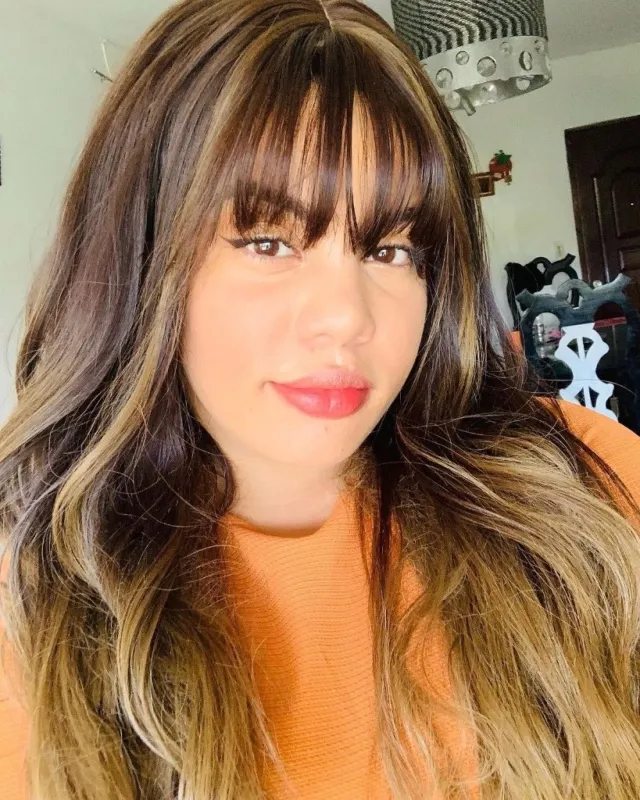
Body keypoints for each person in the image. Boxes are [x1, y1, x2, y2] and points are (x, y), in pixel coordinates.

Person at [1, 1, 639, 798]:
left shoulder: (581, 487)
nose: (348, 316)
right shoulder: (34, 609)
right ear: (139, 259)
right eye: (268, 241)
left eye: (391, 249)